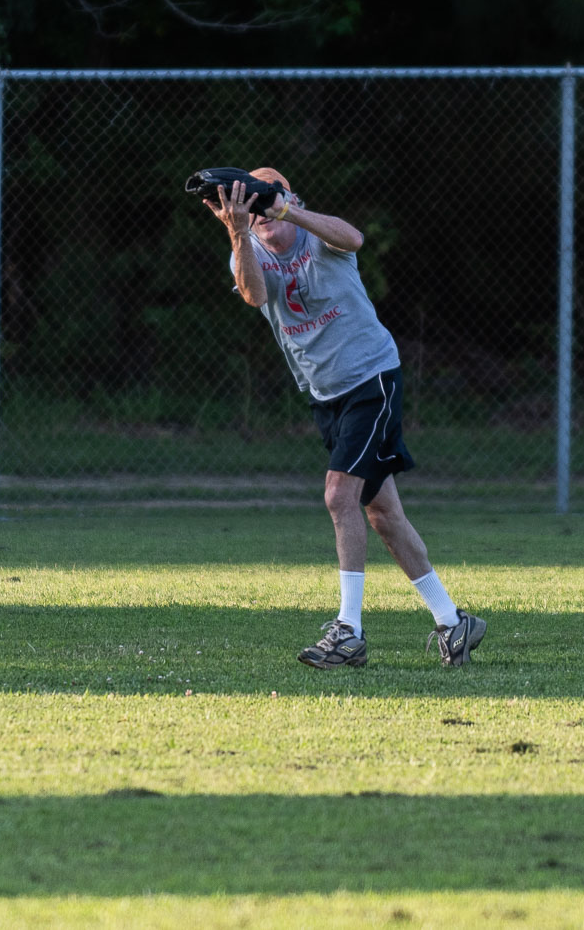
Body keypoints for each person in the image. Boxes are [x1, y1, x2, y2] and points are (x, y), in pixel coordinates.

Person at [207, 168, 485, 668]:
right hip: (326, 396)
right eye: (252, 202)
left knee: (339, 495)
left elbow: (353, 238)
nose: (262, 210)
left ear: (290, 196)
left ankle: (349, 632)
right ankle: (453, 621)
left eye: (269, 196)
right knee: (383, 515)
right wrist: (238, 231)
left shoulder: (316, 235)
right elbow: (254, 295)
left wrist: (286, 209)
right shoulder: (247, 248)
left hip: (371, 379)